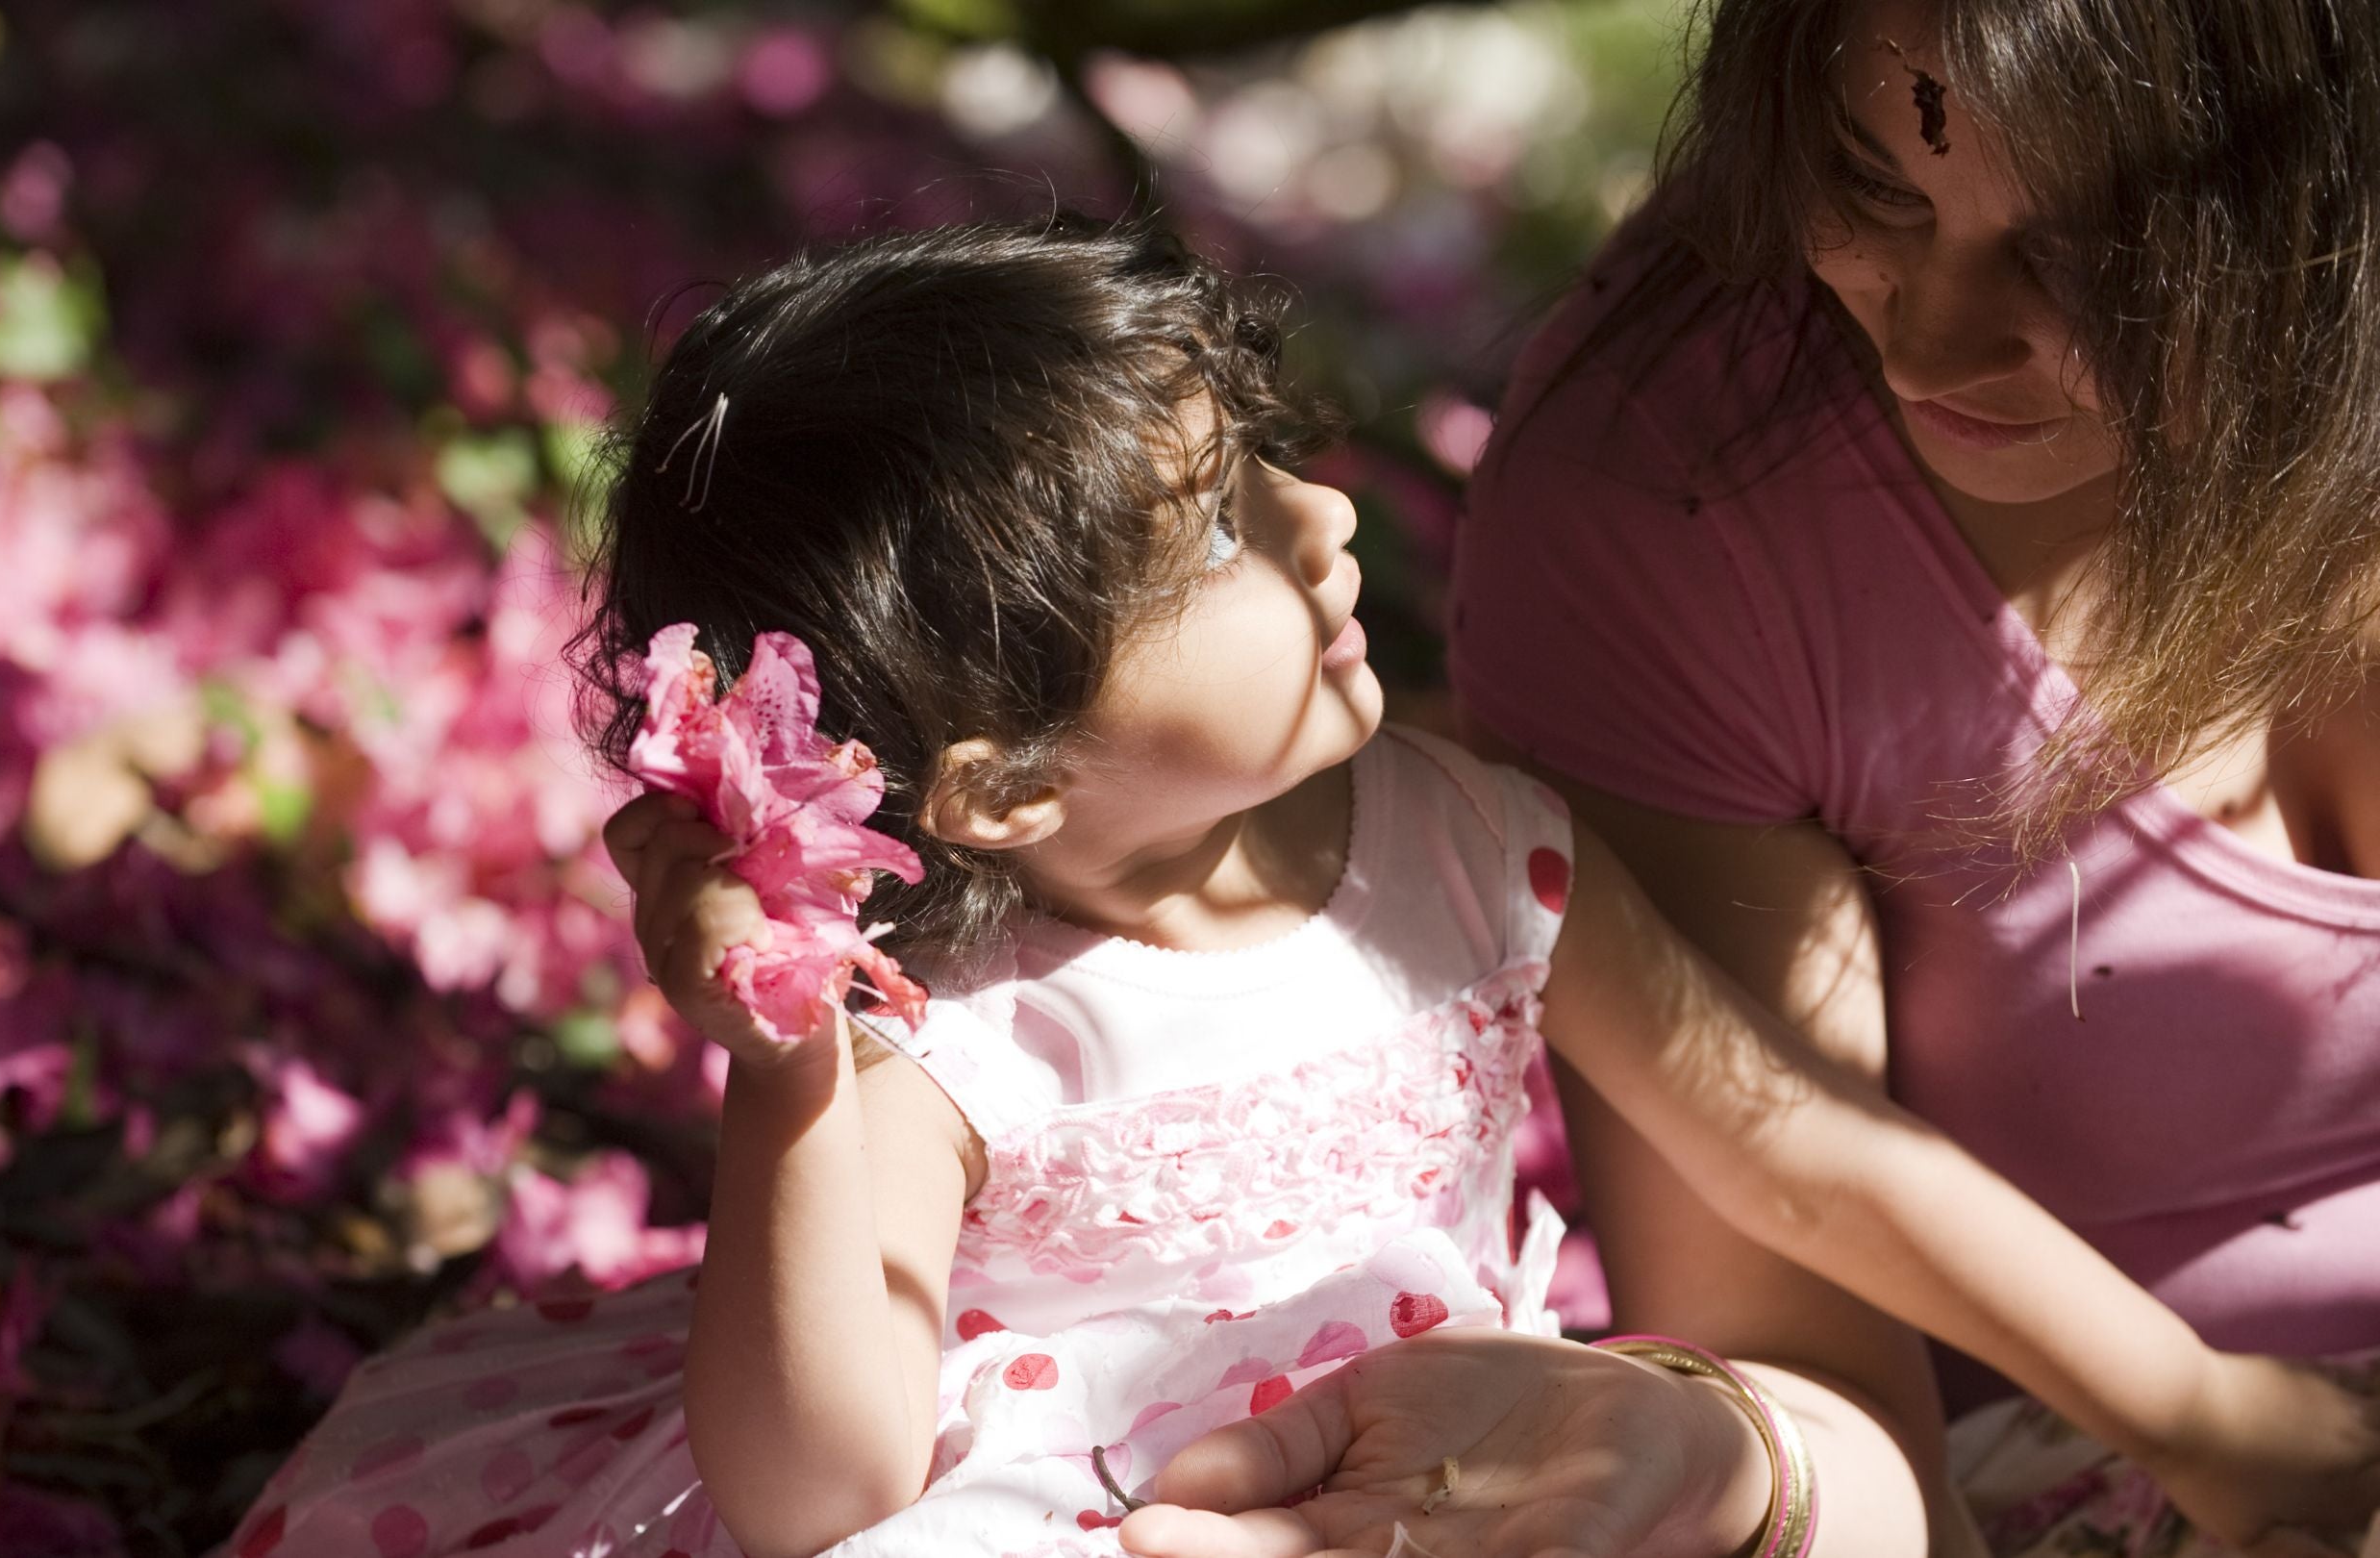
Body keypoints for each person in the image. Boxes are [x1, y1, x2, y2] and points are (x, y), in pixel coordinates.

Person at [221, 214, 2367, 1558]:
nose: (1327, 522)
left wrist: (2193, 1413)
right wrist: (784, 1079)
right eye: (1213, 535)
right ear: (993, 778)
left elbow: (1797, 1152)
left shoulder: (1462, 831)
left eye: (1269, 460)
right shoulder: (935, 1036)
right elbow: (819, 1490)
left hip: (1461, 1472)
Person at [1115, 2, 2380, 1556]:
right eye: (1873, 187)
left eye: (2095, 255)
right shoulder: (1687, 485)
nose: (1928, 339)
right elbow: (1801, 1262)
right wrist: (1714, 1464)